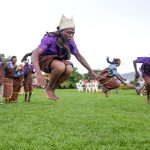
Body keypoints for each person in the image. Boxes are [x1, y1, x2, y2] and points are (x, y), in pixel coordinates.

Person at [30, 15, 97, 101]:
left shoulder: (70, 41)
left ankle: (52, 88)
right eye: (69, 32)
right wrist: (38, 73)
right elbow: (34, 54)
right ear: (61, 31)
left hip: (58, 60)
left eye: (73, 33)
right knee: (60, 66)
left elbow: (79, 56)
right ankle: (48, 88)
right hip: (43, 60)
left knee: (69, 69)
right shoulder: (50, 37)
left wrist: (91, 71)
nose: (71, 36)